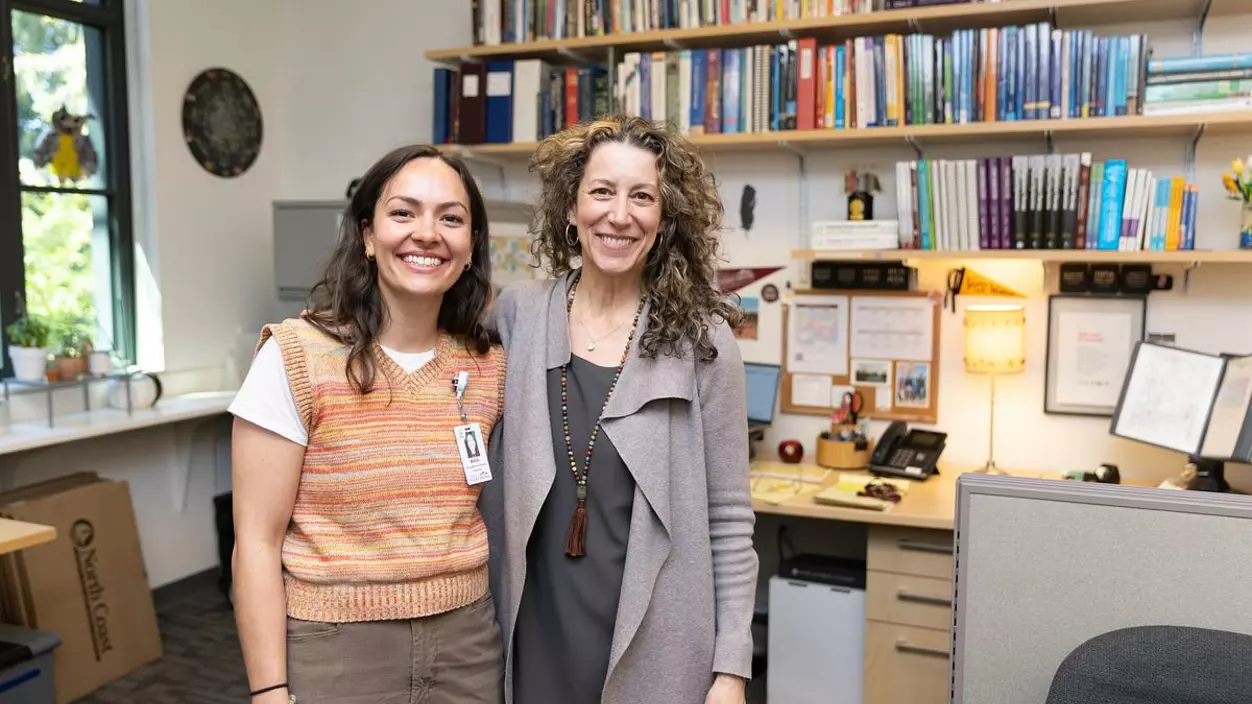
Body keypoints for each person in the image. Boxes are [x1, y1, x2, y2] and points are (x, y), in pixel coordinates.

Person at [481, 116, 759, 704]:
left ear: (665, 220)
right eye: (601, 192)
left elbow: (730, 520)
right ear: (569, 208)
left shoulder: (703, 341)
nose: (619, 214)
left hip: (659, 646)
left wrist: (730, 672)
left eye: (642, 197)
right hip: (536, 638)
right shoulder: (517, 317)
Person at [229, 144, 506, 704]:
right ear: (367, 235)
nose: (427, 233)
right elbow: (254, 542)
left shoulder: (489, 365)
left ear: (471, 246)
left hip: (468, 644)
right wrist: (269, 691)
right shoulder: (295, 357)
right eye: (403, 213)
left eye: (451, 218)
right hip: (337, 649)